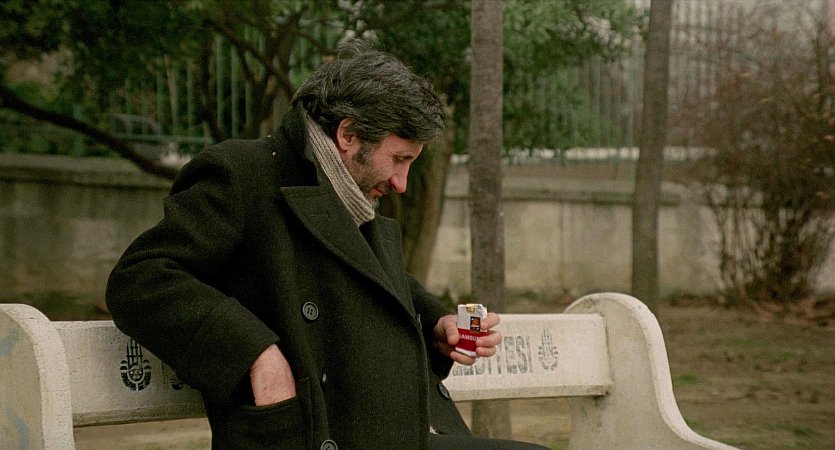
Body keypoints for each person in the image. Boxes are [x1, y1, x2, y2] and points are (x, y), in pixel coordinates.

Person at [106, 41, 549, 450]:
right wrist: (256, 353)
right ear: (348, 134)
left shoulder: (350, 194)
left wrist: (438, 323)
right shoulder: (242, 174)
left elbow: (372, 282)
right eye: (399, 159)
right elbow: (141, 279)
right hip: (311, 435)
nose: (401, 183)